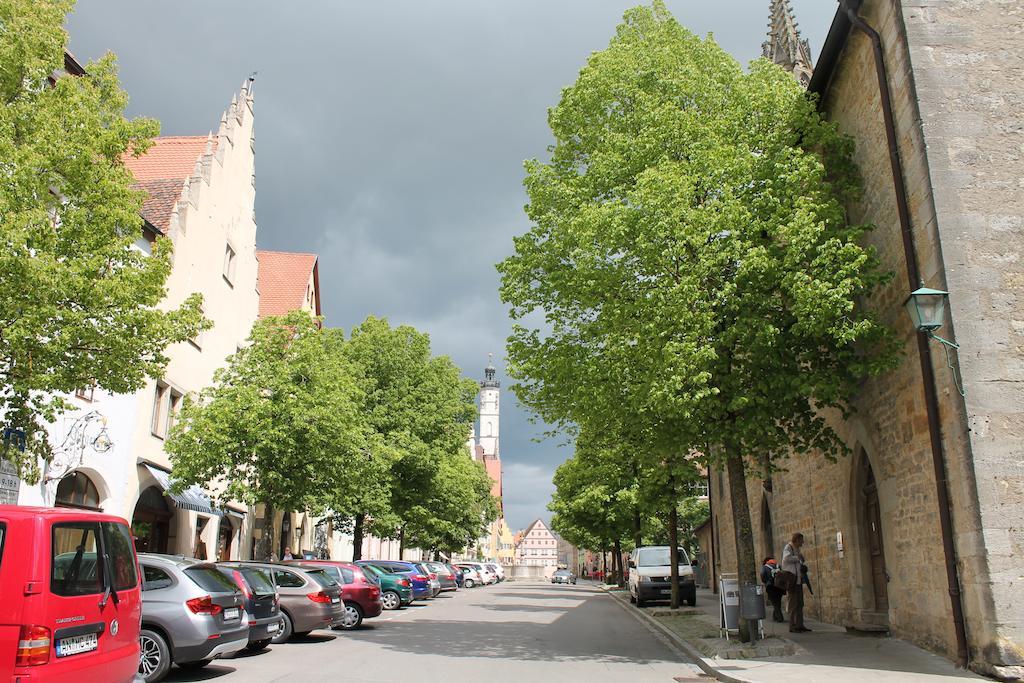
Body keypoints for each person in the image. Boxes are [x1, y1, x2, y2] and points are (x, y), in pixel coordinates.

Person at [782, 533, 810, 633]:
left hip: (798, 580)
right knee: (793, 604)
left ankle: (800, 624)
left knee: (800, 603)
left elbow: (798, 561)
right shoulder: (788, 547)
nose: (802, 542)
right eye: (801, 540)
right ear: (797, 540)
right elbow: (786, 559)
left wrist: (801, 559)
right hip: (792, 581)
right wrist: (797, 557)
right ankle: (792, 626)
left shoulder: (797, 549)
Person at [760, 556, 785, 623]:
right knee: (778, 602)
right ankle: (775, 616)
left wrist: (766, 582)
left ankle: (780, 618)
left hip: (770, 586)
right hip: (779, 586)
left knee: (774, 602)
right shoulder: (778, 565)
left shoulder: (765, 567)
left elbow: (762, 575)